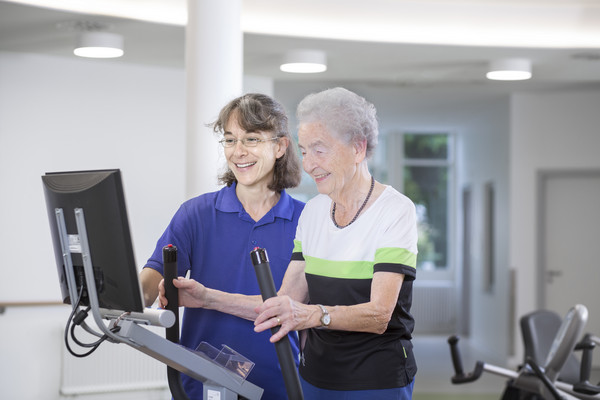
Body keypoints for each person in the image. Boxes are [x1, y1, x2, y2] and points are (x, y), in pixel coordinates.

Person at [162, 87, 418, 399]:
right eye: (305, 150)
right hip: (314, 378)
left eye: (320, 150)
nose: (309, 164)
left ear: (357, 148)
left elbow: (380, 315)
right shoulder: (314, 212)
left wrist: (313, 315)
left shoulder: (394, 209)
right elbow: (282, 303)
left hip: (375, 381)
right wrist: (207, 298)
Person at [140, 93, 304, 400]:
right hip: (202, 388)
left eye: (252, 139)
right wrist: (124, 298)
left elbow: (296, 305)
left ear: (280, 146)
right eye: (230, 140)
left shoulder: (306, 222)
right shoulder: (195, 214)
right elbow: (152, 278)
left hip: (282, 387)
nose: (238, 152)